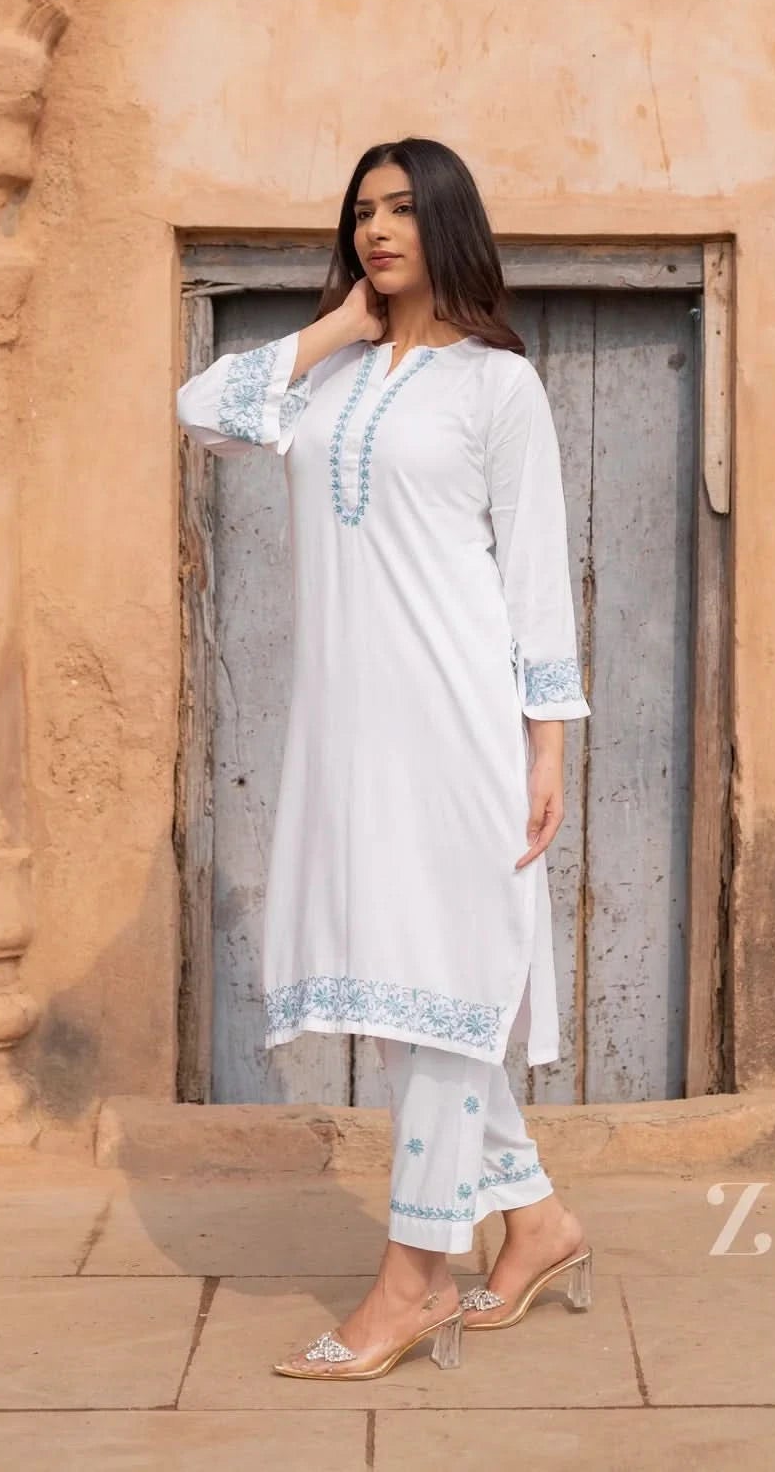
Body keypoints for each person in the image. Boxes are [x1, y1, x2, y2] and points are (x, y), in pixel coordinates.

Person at [176, 137, 593, 1381]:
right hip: (349, 735)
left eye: (405, 210)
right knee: (417, 992)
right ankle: (541, 1224)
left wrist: (548, 746)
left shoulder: (494, 389)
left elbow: (533, 579)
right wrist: (332, 329)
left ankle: (413, 1278)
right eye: (363, 212)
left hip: (461, 727)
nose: (379, 229)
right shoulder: (325, 384)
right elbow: (201, 411)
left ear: (449, 222)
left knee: (451, 980)